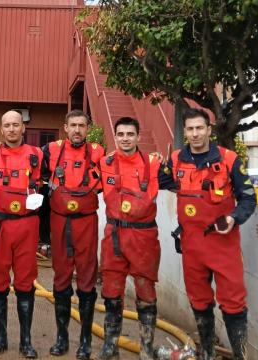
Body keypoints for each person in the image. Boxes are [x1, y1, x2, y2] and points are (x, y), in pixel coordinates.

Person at [160, 108, 256, 360]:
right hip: (191, 245)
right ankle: (207, 353)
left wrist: (234, 218)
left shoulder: (229, 160)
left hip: (223, 243)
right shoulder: (176, 159)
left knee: (233, 302)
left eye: (199, 128)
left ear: (209, 130)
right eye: (190, 129)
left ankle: (239, 355)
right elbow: (160, 180)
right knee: (199, 301)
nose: (194, 134)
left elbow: (248, 198)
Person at [98, 117, 165, 360]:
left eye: (130, 134)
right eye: (120, 134)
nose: (125, 138)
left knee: (146, 292)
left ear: (138, 137)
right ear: (114, 137)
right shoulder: (103, 163)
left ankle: (146, 347)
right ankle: (110, 346)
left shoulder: (154, 164)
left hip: (143, 237)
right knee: (111, 292)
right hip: (114, 236)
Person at [40, 110, 105, 360]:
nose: (77, 130)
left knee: (87, 281)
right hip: (59, 222)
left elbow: (125, 162)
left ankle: (86, 341)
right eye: (73, 125)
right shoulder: (50, 151)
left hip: (87, 223)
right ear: (64, 127)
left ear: (88, 128)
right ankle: (62, 337)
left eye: (82, 125)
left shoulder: (99, 153)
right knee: (61, 279)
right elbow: (26, 161)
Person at [0, 110, 43, 359]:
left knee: (25, 280)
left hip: (27, 225)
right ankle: (1, 337)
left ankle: (26, 341)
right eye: (7, 125)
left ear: (23, 128)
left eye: (15, 125)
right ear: (1, 129)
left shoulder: (38, 154)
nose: (11, 129)